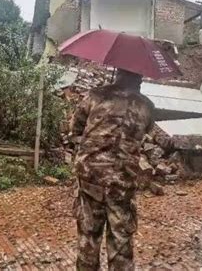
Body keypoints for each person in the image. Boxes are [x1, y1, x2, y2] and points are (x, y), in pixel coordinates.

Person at [71, 69, 154, 271]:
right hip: (122, 183)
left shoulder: (94, 95)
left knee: (88, 239)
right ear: (139, 78)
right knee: (121, 243)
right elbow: (146, 133)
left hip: (91, 177)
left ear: (118, 73)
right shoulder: (146, 106)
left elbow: (76, 129)